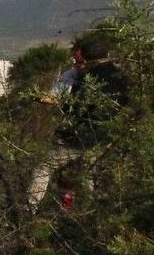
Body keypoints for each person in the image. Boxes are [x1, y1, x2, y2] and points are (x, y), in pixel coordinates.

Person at [28, 35, 122, 211]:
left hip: (78, 136)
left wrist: (35, 97)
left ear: (85, 60)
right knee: (86, 173)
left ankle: (30, 209)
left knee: (44, 168)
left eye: (80, 62)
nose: (78, 66)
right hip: (105, 136)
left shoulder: (87, 78)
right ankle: (87, 212)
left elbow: (69, 103)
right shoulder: (120, 75)